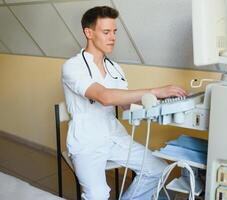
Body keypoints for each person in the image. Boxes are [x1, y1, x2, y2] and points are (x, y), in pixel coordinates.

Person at [62, 6, 187, 200]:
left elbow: (125, 105)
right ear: (88, 32)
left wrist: (155, 102)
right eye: (106, 32)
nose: (113, 37)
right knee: (98, 194)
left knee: (158, 169)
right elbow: (105, 97)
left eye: (114, 32)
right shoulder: (73, 66)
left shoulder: (115, 68)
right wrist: (155, 90)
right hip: (87, 142)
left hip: (115, 136)